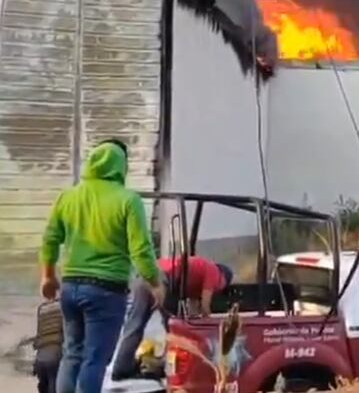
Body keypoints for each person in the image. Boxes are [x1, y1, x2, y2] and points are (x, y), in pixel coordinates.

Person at [39, 139, 163, 393]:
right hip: (106, 291)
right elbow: (140, 249)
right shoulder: (128, 200)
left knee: (72, 354)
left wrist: (48, 277)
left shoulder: (68, 197)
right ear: (121, 167)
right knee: (94, 359)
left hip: (71, 287)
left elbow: (50, 239)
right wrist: (154, 282)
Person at [113, 255, 234, 380]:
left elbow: (193, 310)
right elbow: (204, 306)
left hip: (147, 273)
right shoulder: (214, 272)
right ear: (224, 277)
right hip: (161, 279)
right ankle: (169, 366)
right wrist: (212, 329)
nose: (218, 290)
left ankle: (122, 367)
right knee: (174, 326)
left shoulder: (198, 273)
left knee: (137, 323)